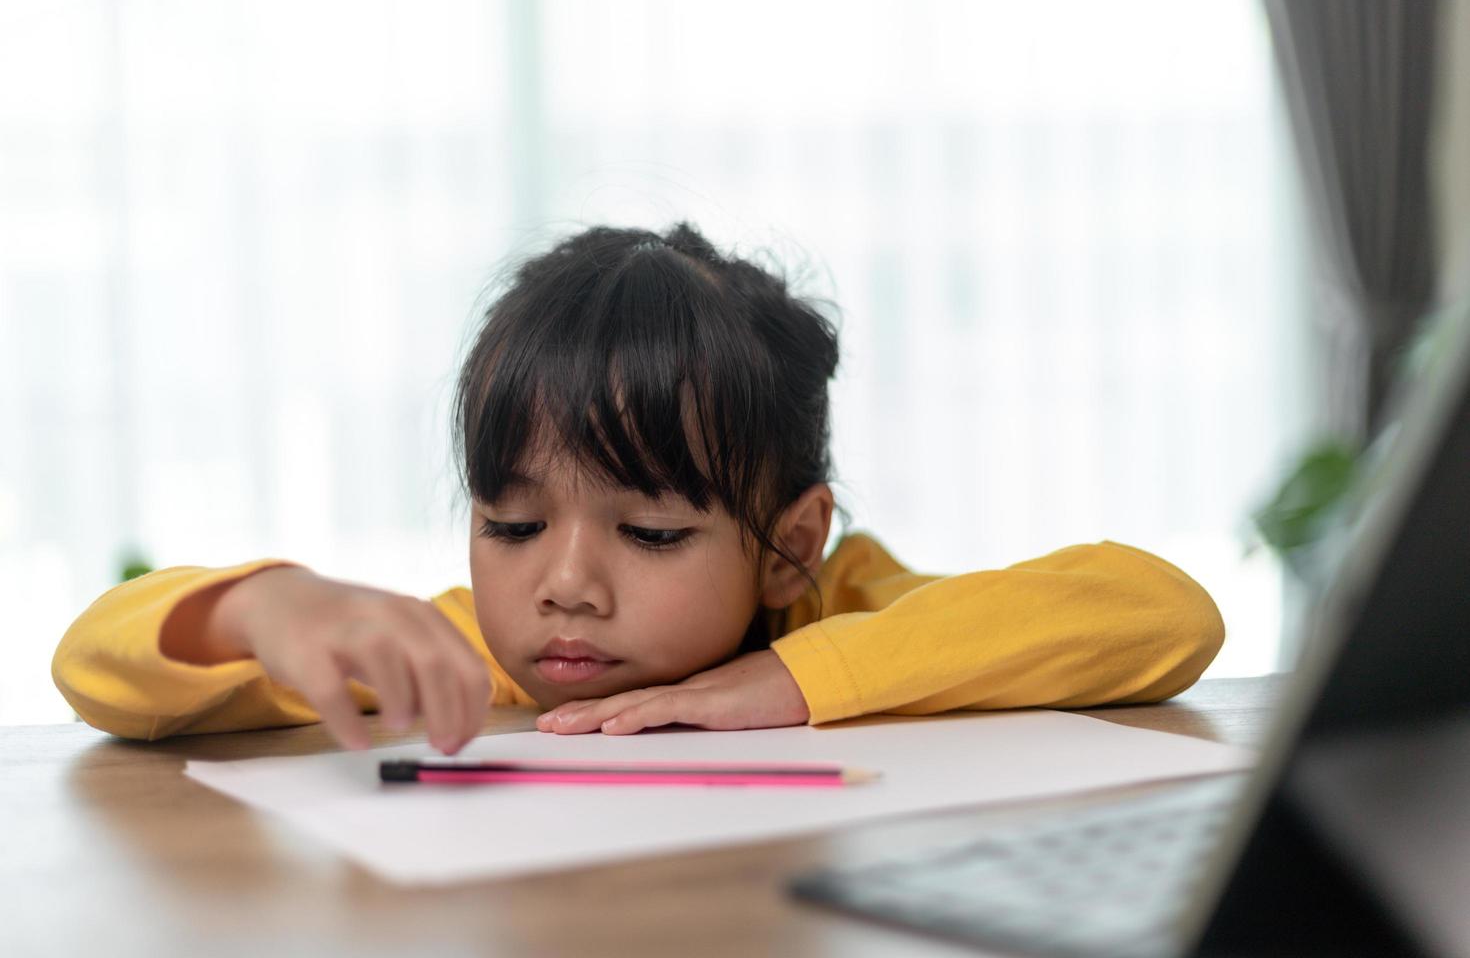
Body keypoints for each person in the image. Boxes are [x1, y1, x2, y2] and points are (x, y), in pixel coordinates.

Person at [52, 222, 1225, 756]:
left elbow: (1164, 612)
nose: (562, 582)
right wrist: (266, 606)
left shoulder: (847, 607)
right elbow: (94, 665)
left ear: (788, 542)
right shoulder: (463, 657)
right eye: (511, 522)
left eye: (652, 530)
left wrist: (793, 676)